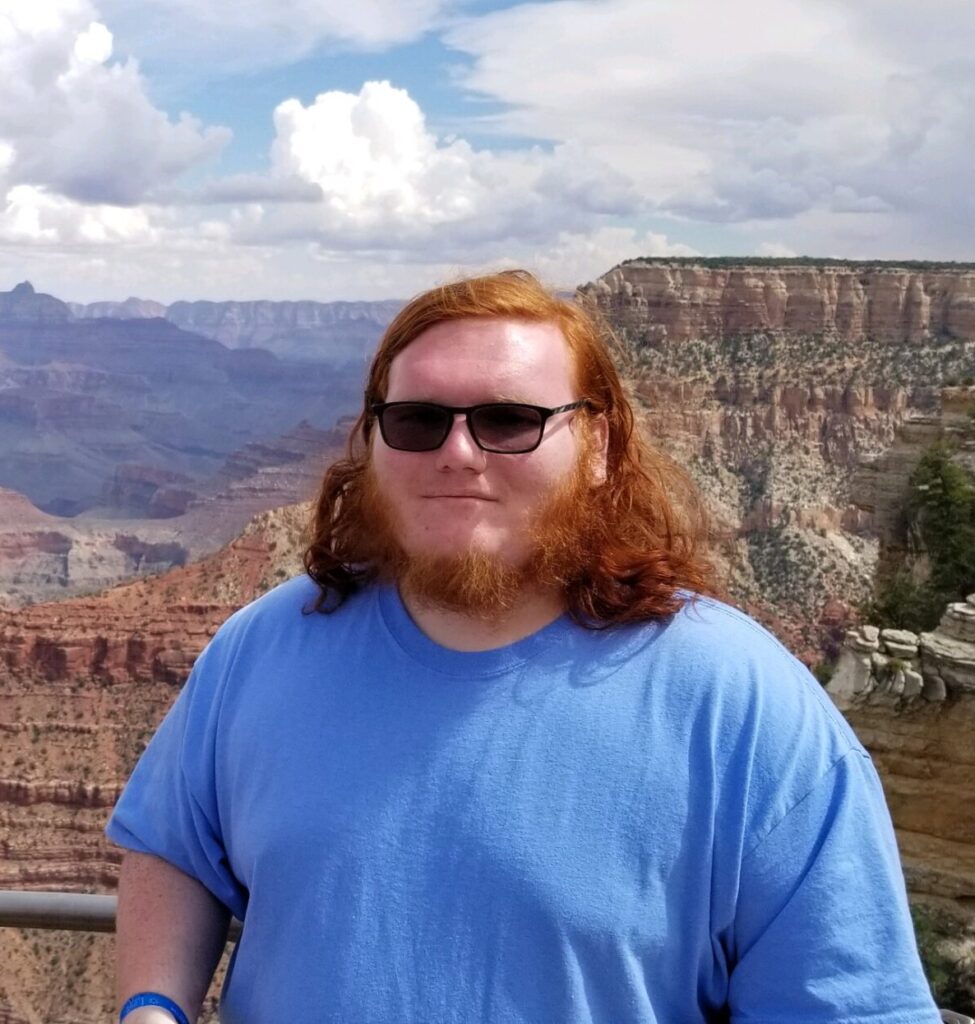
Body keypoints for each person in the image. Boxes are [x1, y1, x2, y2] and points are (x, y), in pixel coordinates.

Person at [107, 270, 940, 1024]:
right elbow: (174, 846)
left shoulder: (742, 703)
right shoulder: (263, 648)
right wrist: (152, 1006)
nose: (458, 454)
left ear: (601, 449)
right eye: (417, 421)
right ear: (371, 442)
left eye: (510, 420)